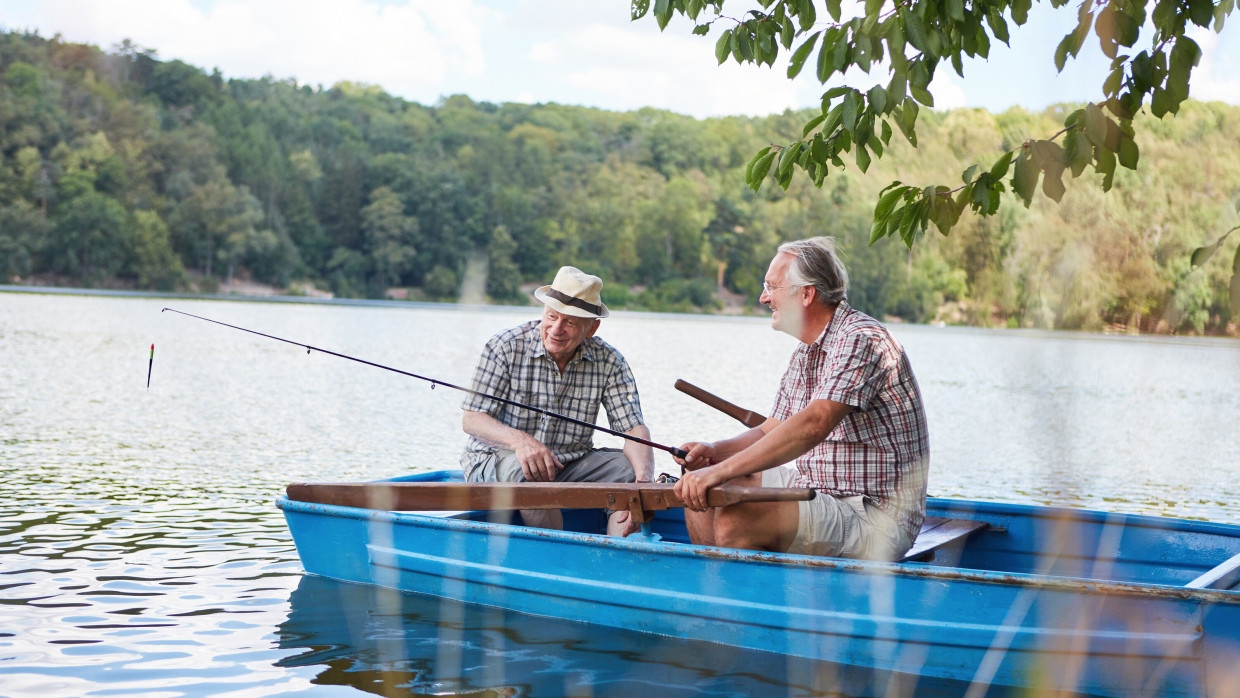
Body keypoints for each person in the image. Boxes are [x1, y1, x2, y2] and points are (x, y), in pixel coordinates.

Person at [673, 237, 929, 561]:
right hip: (821, 491)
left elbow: (813, 424)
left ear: (806, 294)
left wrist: (719, 472)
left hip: (875, 517)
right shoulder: (806, 352)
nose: (763, 297)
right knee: (706, 482)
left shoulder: (861, 339)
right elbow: (770, 430)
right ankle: (720, 593)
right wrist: (713, 454)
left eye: (771, 286)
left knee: (738, 516)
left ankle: (736, 602)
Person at [461, 265, 655, 536]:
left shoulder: (610, 360)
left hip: (571, 462)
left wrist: (642, 483)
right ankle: (560, 564)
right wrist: (521, 442)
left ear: (592, 328)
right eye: (551, 316)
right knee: (531, 473)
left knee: (628, 473)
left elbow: (633, 429)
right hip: (499, 458)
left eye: (570, 322)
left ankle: (616, 559)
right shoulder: (505, 346)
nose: (556, 329)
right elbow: (472, 419)